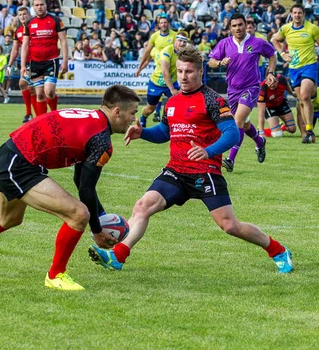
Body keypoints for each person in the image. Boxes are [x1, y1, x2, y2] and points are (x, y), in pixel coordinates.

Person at [88, 47, 294, 275]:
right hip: (176, 171)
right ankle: (118, 256)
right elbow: (165, 133)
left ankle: (278, 250)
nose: (184, 76)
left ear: (200, 72)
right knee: (142, 206)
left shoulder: (213, 100)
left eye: (189, 72)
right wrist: (143, 133)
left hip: (205, 172)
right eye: (180, 71)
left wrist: (208, 151)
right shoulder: (173, 102)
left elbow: (233, 134)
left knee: (230, 226)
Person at [0, 85, 141, 291]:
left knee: (9, 218)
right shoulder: (102, 140)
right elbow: (86, 188)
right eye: (132, 113)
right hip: (19, 165)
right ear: (117, 112)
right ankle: (55, 275)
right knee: (78, 214)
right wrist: (97, 229)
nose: (133, 119)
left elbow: (80, 179)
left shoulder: (92, 119)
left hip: (8, 155)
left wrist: (100, 217)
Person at [207, 14, 277, 172]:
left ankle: (230, 159)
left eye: (240, 25)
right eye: (234, 26)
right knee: (244, 123)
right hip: (232, 90)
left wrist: (270, 72)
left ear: (246, 25)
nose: (237, 28)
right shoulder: (224, 43)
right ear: (230, 28)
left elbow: (272, 55)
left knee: (237, 121)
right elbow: (210, 62)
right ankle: (259, 142)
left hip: (251, 88)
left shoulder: (257, 42)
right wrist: (219, 62)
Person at [272, 4, 319, 144]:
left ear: (304, 15)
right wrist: (283, 53)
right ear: (291, 14)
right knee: (300, 100)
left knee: (304, 95)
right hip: (294, 68)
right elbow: (274, 39)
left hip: (309, 66)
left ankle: (309, 130)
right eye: (294, 13)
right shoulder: (286, 28)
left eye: (300, 13)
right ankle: (306, 131)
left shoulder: (311, 28)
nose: (297, 15)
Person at [20, 0, 68, 116]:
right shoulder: (29, 23)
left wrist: (65, 61)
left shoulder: (56, 20)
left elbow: (63, 41)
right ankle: (41, 123)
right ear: (33, 7)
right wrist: (22, 65)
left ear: (46, 5)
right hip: (35, 62)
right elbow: (25, 45)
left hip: (51, 61)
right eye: (36, 5)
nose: (39, 7)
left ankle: (54, 114)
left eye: (41, 4)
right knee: (40, 94)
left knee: (49, 92)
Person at [135, 17, 177, 126]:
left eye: (165, 22)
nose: (163, 24)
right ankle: (143, 117)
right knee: (150, 108)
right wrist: (139, 68)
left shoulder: (174, 36)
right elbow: (146, 55)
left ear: (168, 24)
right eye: (161, 23)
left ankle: (174, 126)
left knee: (178, 104)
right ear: (158, 25)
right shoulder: (154, 40)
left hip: (172, 80)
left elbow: (182, 49)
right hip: (157, 80)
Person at [7, 6, 35, 123]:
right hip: (26, 63)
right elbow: (15, 50)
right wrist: (9, 65)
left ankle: (35, 114)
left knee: (39, 90)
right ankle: (29, 113)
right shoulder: (18, 31)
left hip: (37, 61)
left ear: (29, 15)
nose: (23, 16)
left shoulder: (34, 27)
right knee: (24, 84)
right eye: (20, 15)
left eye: (24, 14)